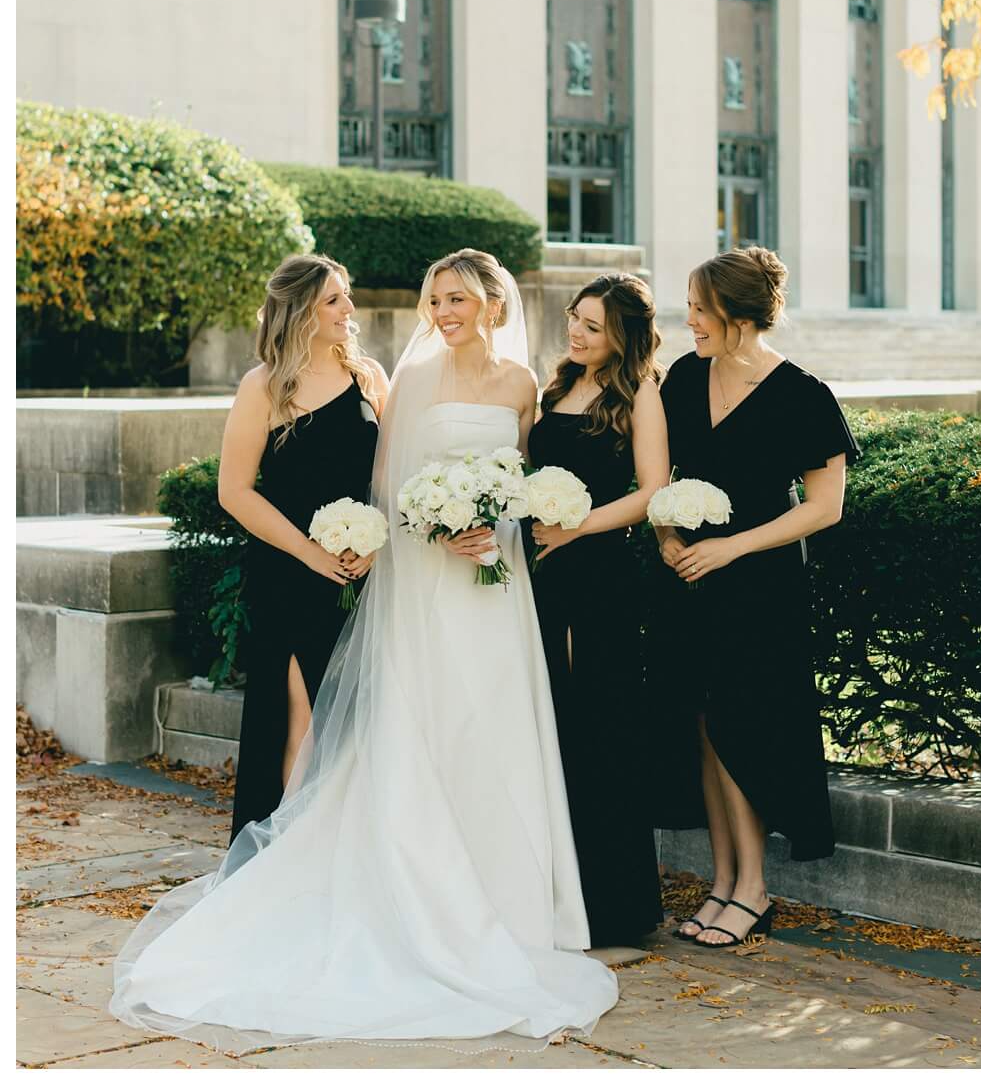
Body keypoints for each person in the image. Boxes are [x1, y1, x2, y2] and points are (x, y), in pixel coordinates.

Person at [111, 250, 616, 1052]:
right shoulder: (332, 385)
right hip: (375, 575)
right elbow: (384, 485)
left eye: (453, 298)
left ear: (490, 302)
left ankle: (510, 901)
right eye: (341, 299)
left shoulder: (497, 386)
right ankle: (317, 871)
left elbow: (515, 480)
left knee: (492, 724)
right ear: (304, 309)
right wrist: (415, 532)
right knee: (346, 730)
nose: (431, 311)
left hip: (489, 581)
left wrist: (493, 527)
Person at [654, 247, 857, 949]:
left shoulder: (804, 394)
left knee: (742, 729)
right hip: (689, 578)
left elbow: (824, 507)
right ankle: (721, 880)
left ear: (739, 314)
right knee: (703, 728)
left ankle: (755, 889)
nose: (689, 321)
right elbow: (660, 472)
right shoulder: (683, 377)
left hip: (760, 586)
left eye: (700, 309)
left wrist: (732, 547)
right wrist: (667, 538)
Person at [217, 254, 385, 837]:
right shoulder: (263, 386)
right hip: (288, 576)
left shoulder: (369, 377)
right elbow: (235, 491)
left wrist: (376, 541)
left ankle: (343, 855)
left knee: (354, 725)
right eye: (334, 299)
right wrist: (308, 552)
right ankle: (286, 857)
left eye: (346, 295)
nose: (349, 309)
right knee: (302, 720)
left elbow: (386, 480)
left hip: (359, 578)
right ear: (301, 311)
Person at [527, 273, 670, 948]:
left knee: (601, 728)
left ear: (624, 335)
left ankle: (614, 903)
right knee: (551, 724)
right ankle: (552, 893)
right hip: (542, 576)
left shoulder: (640, 393)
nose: (576, 333)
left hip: (601, 574)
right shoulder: (554, 388)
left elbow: (652, 492)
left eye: (592, 326)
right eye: (574, 319)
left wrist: (575, 528)